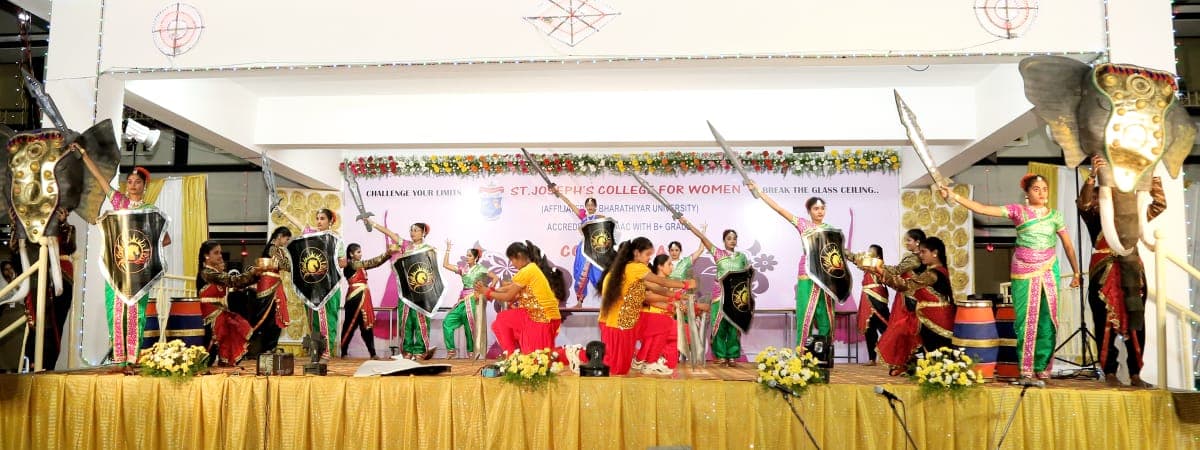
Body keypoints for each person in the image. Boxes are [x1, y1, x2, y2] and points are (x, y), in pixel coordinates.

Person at [942, 175, 1080, 381]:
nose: (1042, 193)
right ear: (1027, 193)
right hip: (1024, 270)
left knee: (1048, 319)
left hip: (1049, 269)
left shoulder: (1055, 216)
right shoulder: (1018, 211)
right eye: (1036, 189)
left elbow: (1068, 245)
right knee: (1025, 320)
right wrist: (955, 196)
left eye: (1044, 188)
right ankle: (1025, 369)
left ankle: (1042, 367)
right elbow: (982, 209)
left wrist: (1076, 272)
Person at [1077, 155, 1164, 387]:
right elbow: (1083, 204)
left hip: (1133, 270)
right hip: (1103, 271)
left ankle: (1136, 374)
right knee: (1103, 321)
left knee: (1137, 322)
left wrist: (1152, 175)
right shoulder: (1096, 214)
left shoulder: (1133, 214)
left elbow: (1159, 205)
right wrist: (1093, 175)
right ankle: (1111, 373)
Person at [83, 166, 172, 365]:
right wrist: (84, 154)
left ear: (144, 185)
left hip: (138, 274)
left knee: (135, 316)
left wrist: (145, 257)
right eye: (130, 182)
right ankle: (119, 358)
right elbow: (102, 180)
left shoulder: (150, 211)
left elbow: (164, 240)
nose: (132, 186)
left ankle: (132, 360)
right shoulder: (120, 204)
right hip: (117, 271)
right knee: (114, 313)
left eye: (137, 182)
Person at [748, 182, 846, 349]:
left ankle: (823, 354)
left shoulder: (831, 230)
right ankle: (801, 353)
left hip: (826, 276)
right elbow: (779, 209)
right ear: (809, 211)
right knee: (805, 313)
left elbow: (836, 253)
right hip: (807, 273)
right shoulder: (803, 224)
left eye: (822, 208)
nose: (820, 211)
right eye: (816, 208)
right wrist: (760, 192)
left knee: (826, 316)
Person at [597, 237, 694, 376]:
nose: (650, 258)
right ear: (637, 253)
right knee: (615, 367)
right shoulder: (635, 268)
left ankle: (646, 361)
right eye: (648, 254)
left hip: (623, 324)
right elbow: (661, 282)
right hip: (618, 324)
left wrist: (678, 296)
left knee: (620, 368)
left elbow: (656, 288)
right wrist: (685, 284)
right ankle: (574, 353)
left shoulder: (629, 269)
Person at [672, 215, 750, 367]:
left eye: (734, 238)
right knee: (719, 326)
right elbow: (701, 237)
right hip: (719, 297)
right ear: (724, 241)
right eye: (729, 238)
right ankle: (720, 355)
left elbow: (745, 277)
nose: (732, 240)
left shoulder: (742, 257)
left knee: (733, 327)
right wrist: (687, 223)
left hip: (736, 298)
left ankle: (732, 355)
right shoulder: (718, 253)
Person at [868, 237, 956, 367]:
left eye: (923, 252)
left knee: (937, 357)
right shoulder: (940, 271)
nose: (920, 255)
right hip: (935, 318)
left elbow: (905, 285)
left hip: (935, 321)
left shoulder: (932, 274)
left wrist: (881, 271)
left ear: (935, 253)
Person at [275, 207, 347, 359]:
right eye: (318, 218)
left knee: (328, 321)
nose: (319, 221)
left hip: (329, 289)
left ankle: (327, 352)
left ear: (330, 221)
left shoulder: (336, 240)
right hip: (313, 289)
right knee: (314, 321)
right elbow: (299, 224)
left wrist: (328, 264)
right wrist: (285, 212)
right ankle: (316, 351)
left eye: (322, 219)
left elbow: (343, 263)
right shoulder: (312, 236)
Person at [475, 241, 567, 354]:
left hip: (543, 318)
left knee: (540, 360)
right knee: (501, 321)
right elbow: (510, 289)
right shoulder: (530, 269)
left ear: (518, 256)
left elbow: (509, 295)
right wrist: (489, 291)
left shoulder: (527, 271)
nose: (512, 264)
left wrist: (487, 292)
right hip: (535, 315)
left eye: (512, 260)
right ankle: (512, 356)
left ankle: (577, 354)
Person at [341, 219, 403, 359]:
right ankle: (343, 352)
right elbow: (373, 262)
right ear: (351, 254)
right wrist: (388, 253)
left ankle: (373, 353)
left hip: (364, 298)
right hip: (354, 298)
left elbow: (371, 263)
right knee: (350, 325)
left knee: (366, 326)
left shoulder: (359, 265)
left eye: (360, 252)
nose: (360, 254)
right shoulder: (351, 265)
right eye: (357, 252)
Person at [872, 229, 928, 375]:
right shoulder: (915, 257)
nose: (906, 243)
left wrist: (877, 266)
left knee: (905, 331)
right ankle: (906, 364)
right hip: (904, 298)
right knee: (904, 332)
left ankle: (914, 364)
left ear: (917, 242)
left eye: (909, 240)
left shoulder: (914, 259)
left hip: (909, 300)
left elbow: (896, 270)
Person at [196, 241, 260, 365]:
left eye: (220, 252)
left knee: (233, 329)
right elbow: (233, 281)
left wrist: (254, 275)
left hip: (219, 311)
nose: (220, 256)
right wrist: (253, 272)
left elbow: (236, 282)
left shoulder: (214, 273)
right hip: (210, 314)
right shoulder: (207, 273)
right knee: (211, 348)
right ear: (206, 256)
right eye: (216, 253)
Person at [550, 187, 606, 308]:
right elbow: (569, 204)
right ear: (586, 207)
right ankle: (579, 302)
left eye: (592, 205)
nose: (590, 207)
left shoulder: (600, 217)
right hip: (584, 249)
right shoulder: (582, 216)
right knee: (581, 273)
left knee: (598, 275)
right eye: (588, 205)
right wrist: (558, 193)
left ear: (595, 207)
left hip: (595, 249)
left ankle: (606, 302)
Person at [442, 241, 499, 359]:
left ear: (476, 258)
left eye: (469, 256)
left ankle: (472, 354)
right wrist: (448, 249)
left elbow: (495, 277)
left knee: (470, 328)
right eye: (466, 255)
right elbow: (446, 265)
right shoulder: (463, 269)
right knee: (447, 322)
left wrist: (486, 291)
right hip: (462, 300)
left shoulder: (481, 269)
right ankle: (451, 350)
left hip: (474, 300)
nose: (467, 258)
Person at [392, 223, 439, 360]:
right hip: (406, 291)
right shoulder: (406, 248)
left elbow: (433, 272)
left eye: (416, 230)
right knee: (405, 322)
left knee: (420, 321)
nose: (412, 233)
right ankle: (407, 351)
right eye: (411, 230)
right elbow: (391, 235)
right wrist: (374, 224)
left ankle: (420, 350)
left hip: (421, 292)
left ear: (423, 232)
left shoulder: (429, 250)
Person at [246, 226, 293, 357]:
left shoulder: (275, 249)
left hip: (272, 284)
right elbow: (286, 265)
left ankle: (268, 347)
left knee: (273, 316)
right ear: (279, 236)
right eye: (286, 239)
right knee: (270, 317)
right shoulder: (273, 249)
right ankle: (266, 347)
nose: (286, 242)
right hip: (269, 284)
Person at [857, 244, 889, 366]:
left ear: (878, 255)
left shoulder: (878, 265)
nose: (868, 253)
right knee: (869, 329)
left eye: (871, 252)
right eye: (868, 251)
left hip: (877, 299)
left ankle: (897, 357)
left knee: (886, 327)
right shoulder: (867, 266)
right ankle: (872, 358)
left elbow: (859, 261)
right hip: (866, 299)